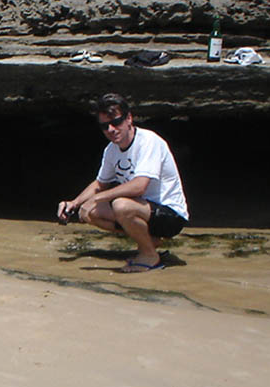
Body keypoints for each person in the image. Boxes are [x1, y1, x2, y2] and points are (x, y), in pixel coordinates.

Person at [57, 93, 190, 272]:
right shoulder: (111, 150)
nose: (111, 129)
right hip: (143, 210)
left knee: (121, 205)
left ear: (129, 118)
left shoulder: (148, 141)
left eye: (116, 122)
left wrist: (101, 197)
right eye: (105, 126)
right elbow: (99, 184)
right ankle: (150, 242)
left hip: (171, 215)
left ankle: (150, 256)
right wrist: (73, 203)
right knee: (88, 211)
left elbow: (139, 185)